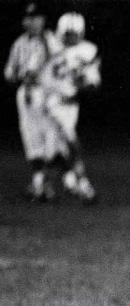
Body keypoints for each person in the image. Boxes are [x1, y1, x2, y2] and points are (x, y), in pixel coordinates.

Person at [36, 11, 101, 203]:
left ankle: (44, 186)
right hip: (51, 102)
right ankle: (83, 184)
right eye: (68, 33)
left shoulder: (87, 50)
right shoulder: (50, 45)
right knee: (72, 143)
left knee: (53, 150)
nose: (71, 37)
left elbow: (93, 82)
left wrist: (85, 81)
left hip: (70, 105)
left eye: (74, 33)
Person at [3, 2, 61, 201]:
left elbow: (57, 64)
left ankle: (43, 185)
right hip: (26, 95)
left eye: (37, 17)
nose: (32, 21)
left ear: (44, 20)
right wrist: (18, 76)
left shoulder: (50, 40)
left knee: (51, 140)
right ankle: (40, 186)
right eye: (29, 18)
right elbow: (10, 71)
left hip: (47, 93)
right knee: (31, 138)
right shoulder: (19, 43)